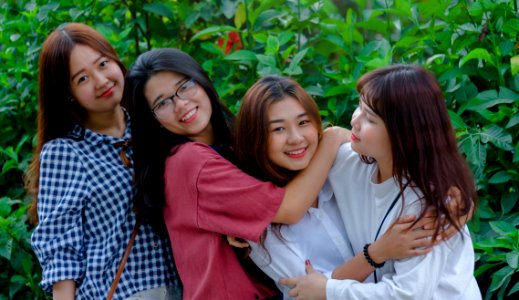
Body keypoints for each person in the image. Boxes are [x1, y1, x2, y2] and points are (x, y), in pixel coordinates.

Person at [125, 48, 349, 299]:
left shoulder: (230, 146)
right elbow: (289, 208)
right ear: (153, 118)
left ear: (201, 80)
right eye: (162, 102)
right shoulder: (189, 161)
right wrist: (332, 139)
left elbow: (268, 199)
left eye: (185, 86)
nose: (181, 104)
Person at [233, 75, 463, 299]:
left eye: (303, 122)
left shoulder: (342, 165)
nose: (295, 138)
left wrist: (460, 197)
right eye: (278, 129)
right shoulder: (258, 223)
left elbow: (410, 293)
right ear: (256, 138)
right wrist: (377, 253)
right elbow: (306, 291)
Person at [26, 23, 181, 299]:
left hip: (184, 287)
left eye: (102, 63)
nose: (101, 81)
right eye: (82, 79)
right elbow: (59, 250)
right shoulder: (66, 153)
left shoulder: (154, 124)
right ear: (68, 94)